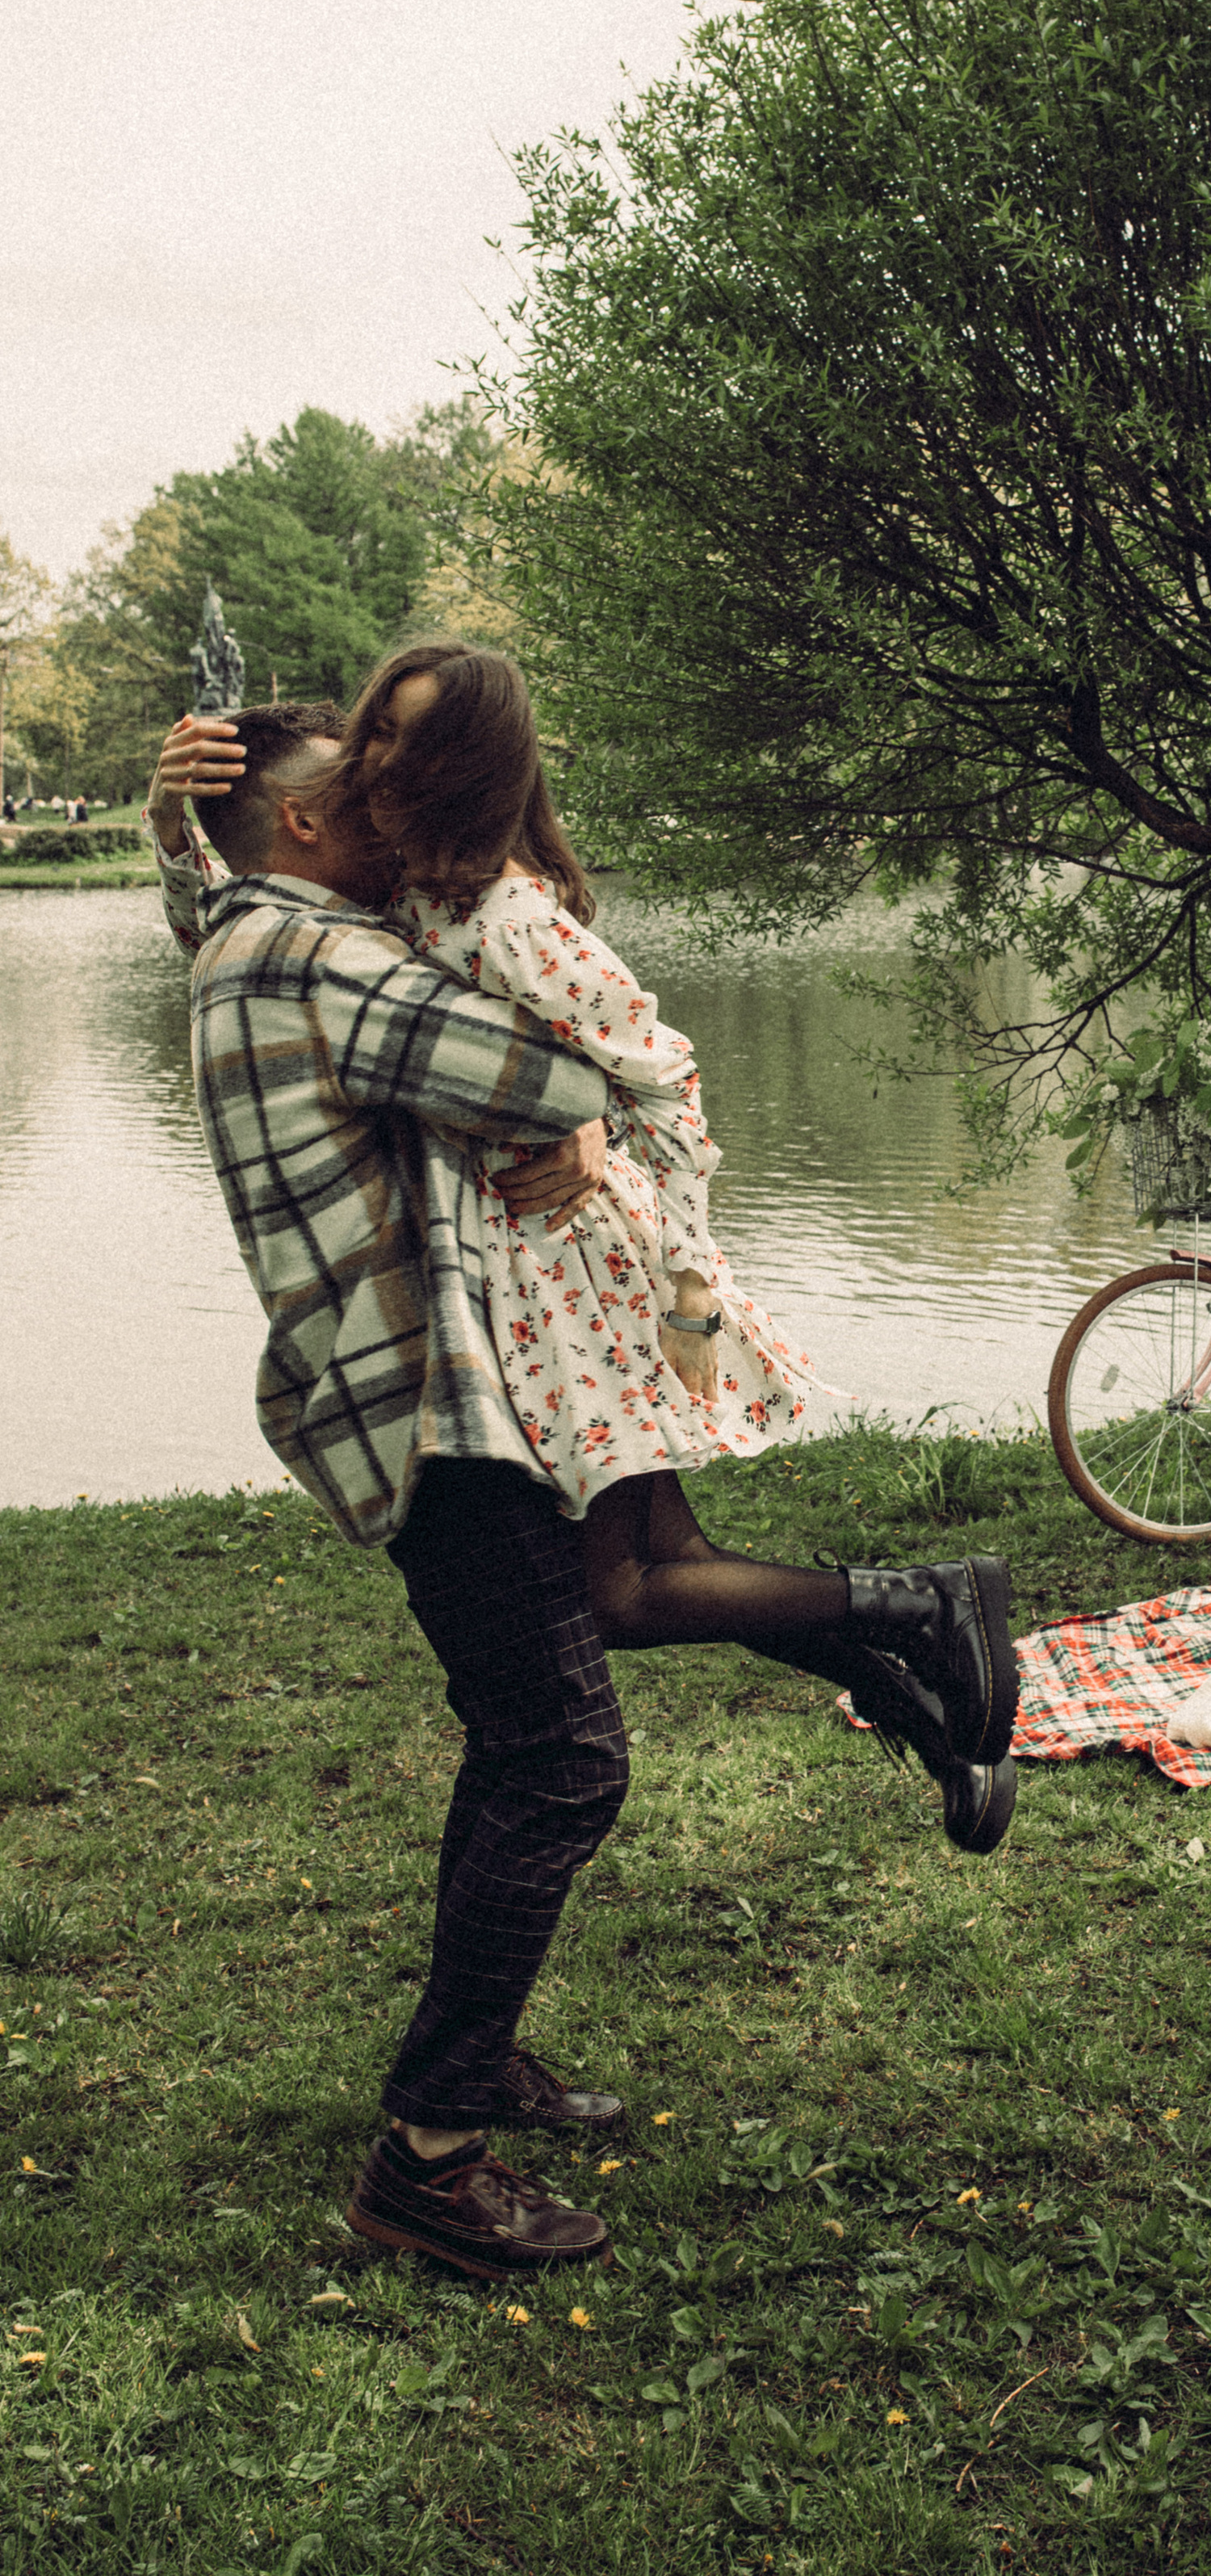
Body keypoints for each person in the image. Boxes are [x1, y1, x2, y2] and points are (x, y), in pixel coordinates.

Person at [144, 687, 1016, 2282]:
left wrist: (170, 831)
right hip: (435, 1414)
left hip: (434, 1388)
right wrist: (604, 1119)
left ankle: (471, 2070)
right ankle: (427, 2159)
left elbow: (246, 887)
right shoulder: (322, 958)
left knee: (541, 1713)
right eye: (358, 784)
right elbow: (552, 1082)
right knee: (559, 1760)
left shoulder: (245, 934)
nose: (391, 804)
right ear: (306, 827)